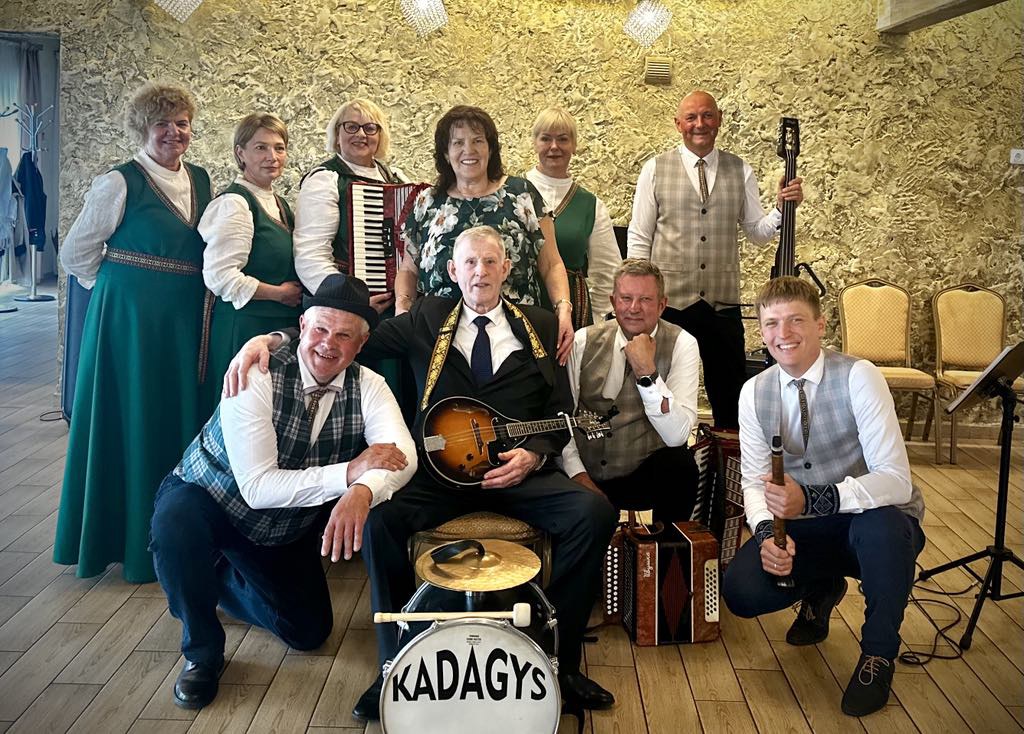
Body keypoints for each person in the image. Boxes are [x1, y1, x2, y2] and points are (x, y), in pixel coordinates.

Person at [226, 226, 618, 721]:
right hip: (436, 478)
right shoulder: (427, 318)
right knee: (380, 522)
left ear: (507, 269)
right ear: (453, 271)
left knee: (594, 512)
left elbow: (560, 412)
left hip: (519, 476)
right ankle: (393, 665)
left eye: (490, 262)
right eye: (469, 262)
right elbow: (348, 337)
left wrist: (535, 456)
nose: (480, 272)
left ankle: (557, 660)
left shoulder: (540, 325)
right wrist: (274, 338)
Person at [150, 275, 416, 710]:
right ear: (302, 326)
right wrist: (350, 471)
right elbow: (257, 488)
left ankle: (217, 581)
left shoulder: (370, 385)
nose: (328, 344)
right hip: (210, 500)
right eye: (320, 329)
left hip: (278, 528)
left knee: (308, 633)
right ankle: (201, 652)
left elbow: (403, 455)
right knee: (176, 522)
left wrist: (363, 490)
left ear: (362, 343)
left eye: (344, 335)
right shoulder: (257, 370)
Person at [721, 276, 925, 717]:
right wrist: (766, 534)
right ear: (762, 331)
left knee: (884, 528)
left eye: (796, 320)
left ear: (820, 324)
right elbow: (754, 482)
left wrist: (813, 500)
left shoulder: (859, 376)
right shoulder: (754, 391)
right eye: (772, 323)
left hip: (871, 524)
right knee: (741, 591)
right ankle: (822, 587)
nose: (783, 333)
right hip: (805, 529)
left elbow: (896, 480)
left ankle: (878, 654)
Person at [56, 81, 213, 583]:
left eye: (181, 123)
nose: (173, 132)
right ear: (143, 129)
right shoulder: (119, 182)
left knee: (172, 416)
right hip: (129, 324)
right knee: (132, 416)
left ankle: (178, 537)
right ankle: (127, 541)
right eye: (161, 124)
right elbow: (76, 254)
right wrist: (120, 292)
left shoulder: (202, 179)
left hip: (183, 321)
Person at [626, 89, 804, 429]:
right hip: (669, 304)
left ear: (719, 120)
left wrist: (781, 208)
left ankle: (729, 456)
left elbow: (757, 231)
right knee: (662, 389)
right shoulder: (655, 169)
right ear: (678, 123)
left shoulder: (740, 169)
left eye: (707, 115)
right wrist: (639, 296)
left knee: (729, 393)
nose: (700, 124)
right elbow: (639, 236)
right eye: (691, 117)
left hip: (722, 303)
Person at [394, 105, 574, 362]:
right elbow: (408, 270)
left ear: (491, 149)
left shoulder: (522, 194)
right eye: (458, 142)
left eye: (478, 140)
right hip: (439, 340)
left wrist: (563, 309)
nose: (469, 150)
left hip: (515, 337)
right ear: (445, 153)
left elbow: (551, 263)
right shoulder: (427, 202)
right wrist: (403, 309)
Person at [561, 259, 700, 522]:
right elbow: (562, 418)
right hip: (585, 470)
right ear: (613, 302)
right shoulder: (582, 340)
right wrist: (577, 475)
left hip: (641, 471)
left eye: (645, 299)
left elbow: (677, 436)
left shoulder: (683, 343)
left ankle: (668, 548)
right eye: (626, 298)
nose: (634, 308)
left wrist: (647, 374)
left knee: (681, 466)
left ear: (662, 305)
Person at [199, 113, 303, 409]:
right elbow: (221, 277)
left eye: (279, 148)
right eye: (261, 148)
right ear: (240, 153)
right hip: (244, 327)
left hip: (275, 328)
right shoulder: (234, 203)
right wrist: (279, 294)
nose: (272, 156)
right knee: (245, 412)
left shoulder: (278, 202)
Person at [525, 107, 621, 325]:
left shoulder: (591, 205)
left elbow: (608, 273)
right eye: (546, 138)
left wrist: (592, 317)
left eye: (563, 139)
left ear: (574, 145)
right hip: (521, 306)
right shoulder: (513, 192)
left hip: (572, 313)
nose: (554, 146)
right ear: (535, 143)